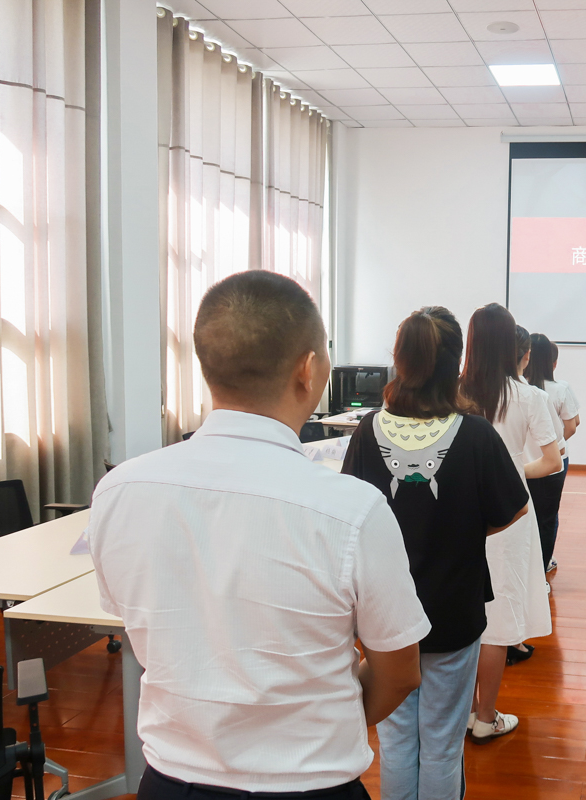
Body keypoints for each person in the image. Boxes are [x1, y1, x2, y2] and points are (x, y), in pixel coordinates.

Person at [88, 272, 429, 800]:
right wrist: (322, 728)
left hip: (171, 783)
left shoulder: (118, 491)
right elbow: (400, 670)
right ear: (310, 370)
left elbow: (139, 628)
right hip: (315, 783)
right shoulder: (352, 510)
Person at [342, 307, 529, 800]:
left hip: (384, 618)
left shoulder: (366, 432)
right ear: (456, 364)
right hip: (453, 612)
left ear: (398, 360)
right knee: (443, 747)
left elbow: (348, 516)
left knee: (399, 743)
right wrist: (463, 527)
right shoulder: (476, 434)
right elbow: (513, 509)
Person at [459, 303, 559, 742]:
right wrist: (515, 471)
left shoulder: (453, 392)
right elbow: (552, 461)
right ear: (513, 347)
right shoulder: (529, 396)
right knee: (497, 618)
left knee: (460, 611)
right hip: (511, 513)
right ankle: (485, 717)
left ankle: (459, 712)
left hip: (458, 511)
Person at [524, 333, 581, 572]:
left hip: (523, 462)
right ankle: (543, 564)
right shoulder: (559, 389)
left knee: (523, 515)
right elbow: (572, 425)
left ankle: (526, 564)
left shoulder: (519, 389)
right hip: (554, 463)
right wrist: (550, 445)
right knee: (548, 516)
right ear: (552, 362)